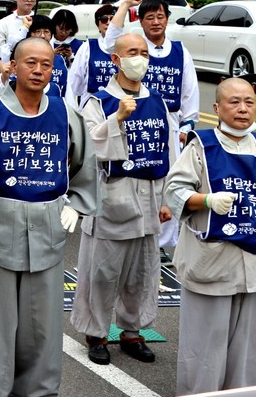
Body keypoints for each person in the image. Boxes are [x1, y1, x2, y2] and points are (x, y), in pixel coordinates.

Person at [0, 37, 100, 397]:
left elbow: (85, 167)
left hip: (47, 229)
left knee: (41, 326)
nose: (38, 70)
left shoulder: (65, 111)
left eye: (46, 64)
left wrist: (76, 205)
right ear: (12, 66)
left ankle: (38, 390)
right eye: (30, 62)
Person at [165, 78, 256, 395]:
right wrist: (205, 200)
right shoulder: (201, 146)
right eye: (234, 102)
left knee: (250, 351)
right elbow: (174, 191)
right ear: (217, 108)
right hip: (213, 265)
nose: (243, 108)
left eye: (249, 101)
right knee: (205, 349)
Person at [71, 33, 172, 365]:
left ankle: (132, 331)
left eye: (144, 53)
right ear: (115, 59)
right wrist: (117, 120)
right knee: (102, 271)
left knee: (142, 272)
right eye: (132, 52)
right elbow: (87, 149)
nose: (139, 58)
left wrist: (167, 198)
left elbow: (167, 151)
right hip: (113, 195)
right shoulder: (98, 102)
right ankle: (96, 333)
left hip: (149, 197)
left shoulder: (156, 101)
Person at [107, 0, 199, 252]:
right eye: (150, 17)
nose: (156, 22)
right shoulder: (133, 48)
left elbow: (189, 91)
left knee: (168, 178)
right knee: (136, 175)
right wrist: (124, 5)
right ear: (142, 21)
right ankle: (135, 231)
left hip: (169, 123)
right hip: (135, 118)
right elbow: (110, 44)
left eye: (161, 16)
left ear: (168, 19)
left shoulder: (180, 52)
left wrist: (186, 126)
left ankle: (163, 241)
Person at [67, 4, 117, 105]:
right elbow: (74, 79)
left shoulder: (127, 47)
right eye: (104, 19)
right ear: (98, 24)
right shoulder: (88, 47)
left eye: (113, 19)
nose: (108, 23)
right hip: (92, 106)